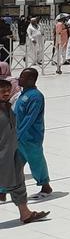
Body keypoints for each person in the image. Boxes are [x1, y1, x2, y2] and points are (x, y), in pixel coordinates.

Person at [0, 75, 48, 224]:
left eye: (8, 91)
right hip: (2, 155)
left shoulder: (8, 107)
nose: (6, 94)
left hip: (12, 153)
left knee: (18, 182)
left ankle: (25, 213)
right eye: (2, 91)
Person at [12, 69, 51, 199]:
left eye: (23, 77)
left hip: (30, 137)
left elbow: (30, 118)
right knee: (13, 165)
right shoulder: (22, 94)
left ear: (31, 80)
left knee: (36, 162)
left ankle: (45, 185)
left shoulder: (36, 96)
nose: (19, 79)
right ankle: (3, 191)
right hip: (18, 137)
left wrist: (18, 134)